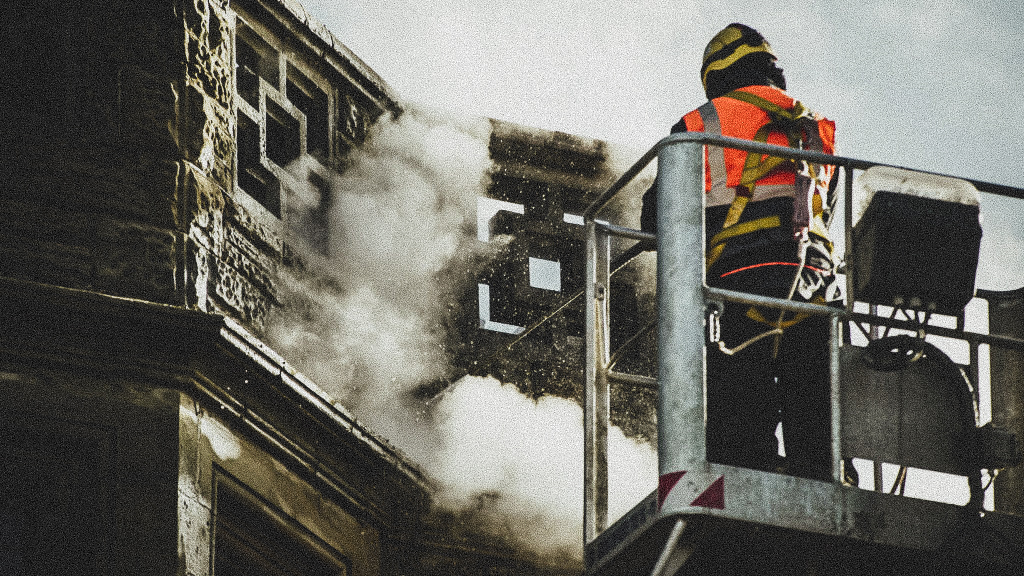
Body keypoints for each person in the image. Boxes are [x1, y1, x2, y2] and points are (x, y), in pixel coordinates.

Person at [640, 23, 840, 481]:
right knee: (813, 404)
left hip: (741, 276)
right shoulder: (813, 125)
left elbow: (658, 218)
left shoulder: (700, 123)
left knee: (739, 410)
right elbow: (820, 209)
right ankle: (823, 482)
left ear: (716, 74)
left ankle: (740, 487)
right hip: (814, 281)